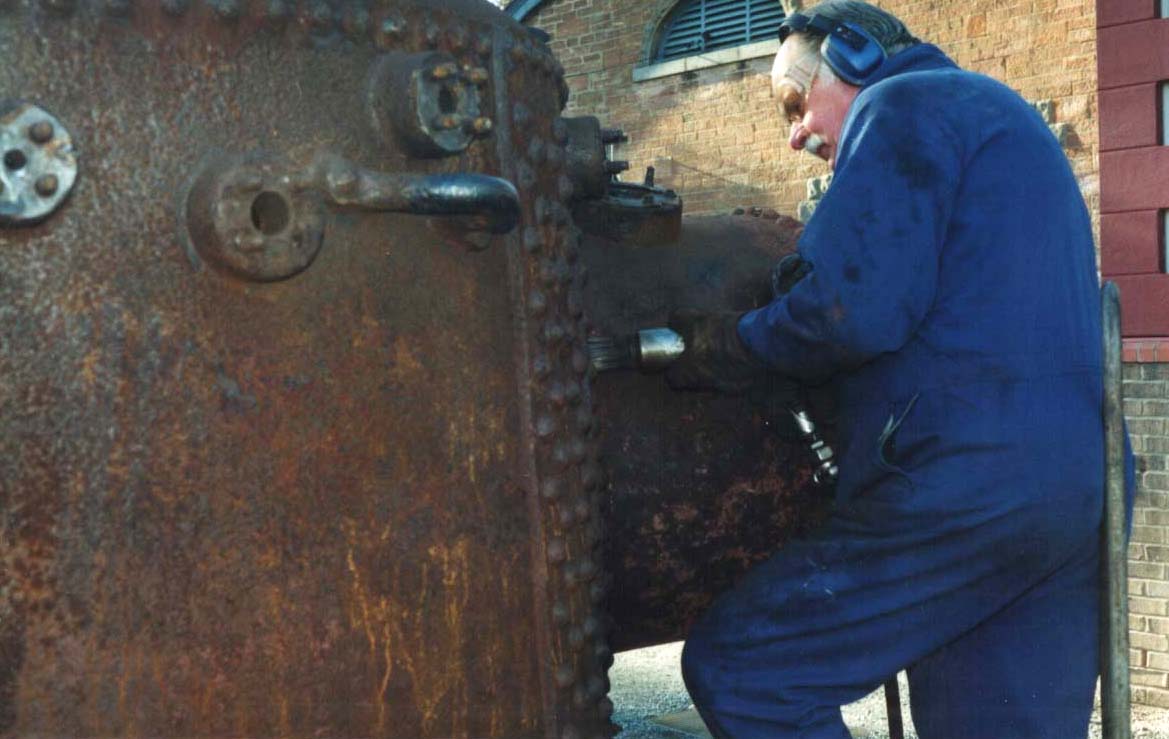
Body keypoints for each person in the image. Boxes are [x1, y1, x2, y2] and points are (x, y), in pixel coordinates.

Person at [665, 1, 1133, 737]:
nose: (795, 135)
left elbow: (851, 311)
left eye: (795, 102)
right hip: (1077, 482)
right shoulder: (1001, 117)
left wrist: (731, 345)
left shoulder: (899, 104)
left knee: (747, 666)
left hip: (967, 478)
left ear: (852, 55)